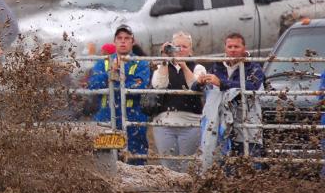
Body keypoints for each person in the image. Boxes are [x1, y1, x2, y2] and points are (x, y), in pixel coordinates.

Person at [195, 32, 264, 162]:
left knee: (250, 164)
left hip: (248, 122)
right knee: (224, 165)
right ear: (225, 48)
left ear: (244, 49)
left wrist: (222, 83)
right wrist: (199, 83)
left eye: (236, 47)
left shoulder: (254, 68)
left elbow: (252, 87)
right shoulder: (217, 67)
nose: (232, 50)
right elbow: (196, 89)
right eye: (230, 46)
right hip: (221, 124)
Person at [87, 25, 150, 165]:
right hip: (106, 118)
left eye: (127, 38)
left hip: (133, 119)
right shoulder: (103, 62)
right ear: (114, 41)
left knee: (135, 162)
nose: (123, 41)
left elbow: (139, 85)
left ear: (133, 42)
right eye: (119, 38)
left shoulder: (141, 63)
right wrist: (112, 72)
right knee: (104, 162)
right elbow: (93, 85)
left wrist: (113, 81)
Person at [150, 31, 207, 172]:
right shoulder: (161, 67)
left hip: (191, 124)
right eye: (176, 46)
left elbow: (196, 88)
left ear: (191, 51)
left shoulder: (198, 68)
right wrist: (164, 59)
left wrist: (184, 66)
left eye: (184, 47)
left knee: (189, 167)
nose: (180, 50)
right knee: (168, 168)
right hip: (164, 125)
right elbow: (159, 86)